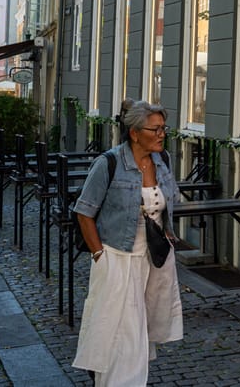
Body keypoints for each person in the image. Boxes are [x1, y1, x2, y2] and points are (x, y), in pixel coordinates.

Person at [72, 100, 183, 385]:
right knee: (119, 331)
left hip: (154, 261)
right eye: (155, 129)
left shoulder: (163, 161)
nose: (162, 134)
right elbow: (84, 212)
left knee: (141, 330)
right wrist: (100, 255)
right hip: (118, 258)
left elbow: (167, 201)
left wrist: (166, 231)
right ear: (134, 133)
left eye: (163, 128)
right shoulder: (109, 163)